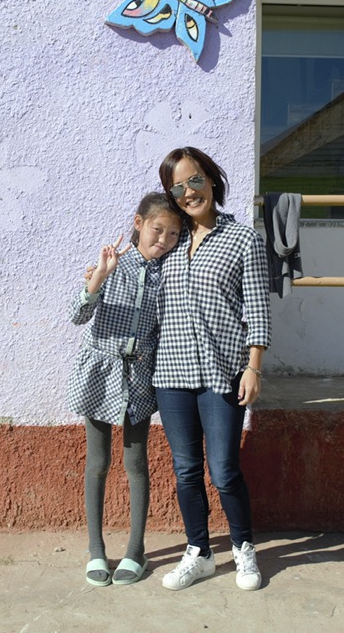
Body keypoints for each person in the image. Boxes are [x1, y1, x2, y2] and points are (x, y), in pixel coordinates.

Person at [153, 147, 271, 592]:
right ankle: (199, 552)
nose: (188, 192)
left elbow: (258, 309)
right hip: (171, 376)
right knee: (186, 470)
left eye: (194, 180)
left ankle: (244, 550)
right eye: (178, 187)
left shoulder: (243, 239)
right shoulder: (171, 241)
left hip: (223, 372)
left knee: (223, 471)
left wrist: (254, 367)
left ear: (211, 179)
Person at [67, 192, 182, 587]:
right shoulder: (113, 264)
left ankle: (136, 551)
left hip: (140, 377)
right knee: (97, 462)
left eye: (172, 233)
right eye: (156, 229)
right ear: (138, 223)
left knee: (136, 463)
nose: (163, 239)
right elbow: (77, 316)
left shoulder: (171, 272)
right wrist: (98, 276)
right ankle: (96, 550)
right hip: (101, 370)